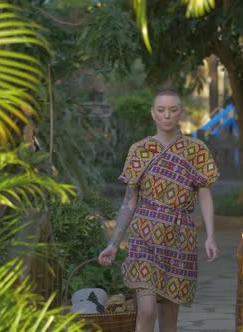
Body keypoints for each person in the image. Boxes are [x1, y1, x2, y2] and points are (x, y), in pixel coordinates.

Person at [98, 89, 219, 332]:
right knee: (146, 309)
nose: (167, 115)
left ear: (181, 113)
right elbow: (129, 201)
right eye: (161, 110)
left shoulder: (196, 150)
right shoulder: (139, 151)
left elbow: (205, 193)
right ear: (153, 114)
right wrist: (113, 242)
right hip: (144, 236)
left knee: (169, 312)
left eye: (173, 110)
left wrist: (211, 236)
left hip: (180, 237)